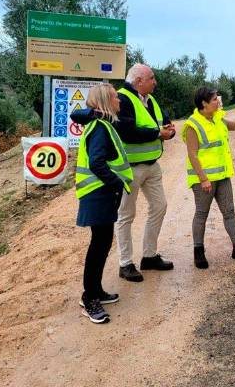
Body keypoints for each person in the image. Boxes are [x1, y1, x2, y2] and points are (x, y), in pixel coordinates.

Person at [72, 83, 133, 324]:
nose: (119, 101)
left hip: (100, 193)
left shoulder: (101, 124)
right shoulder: (99, 127)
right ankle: (89, 298)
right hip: (98, 193)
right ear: (106, 101)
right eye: (115, 97)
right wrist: (116, 183)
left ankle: (95, 290)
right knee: (98, 245)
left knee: (103, 242)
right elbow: (97, 163)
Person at [183, 87, 235, 268]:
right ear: (204, 103)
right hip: (204, 180)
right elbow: (192, 155)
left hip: (222, 176)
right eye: (214, 100)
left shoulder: (218, 117)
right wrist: (203, 179)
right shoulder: (192, 124)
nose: (218, 102)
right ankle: (198, 252)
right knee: (201, 214)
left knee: (229, 212)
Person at [113, 64, 176, 282]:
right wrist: (158, 133)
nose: (155, 82)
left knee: (160, 206)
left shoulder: (150, 99)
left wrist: (169, 130)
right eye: (152, 78)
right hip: (129, 168)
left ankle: (149, 256)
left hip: (151, 165)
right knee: (126, 215)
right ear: (139, 80)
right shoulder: (122, 99)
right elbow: (127, 132)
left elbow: (164, 122)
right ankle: (125, 263)